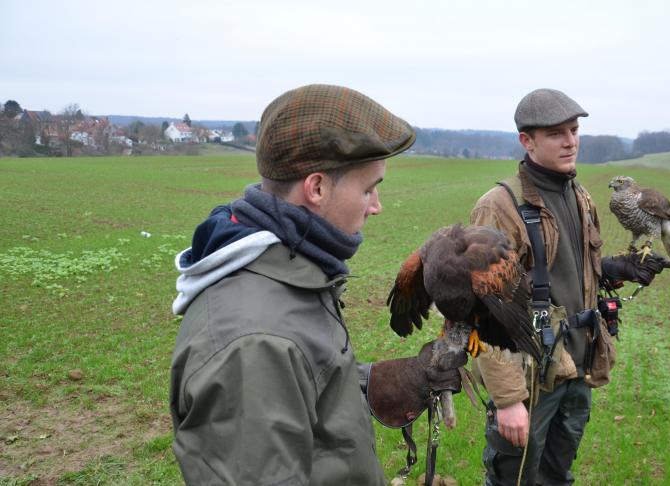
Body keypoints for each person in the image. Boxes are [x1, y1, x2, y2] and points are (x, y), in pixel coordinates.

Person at [169, 84, 465, 485]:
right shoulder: (253, 343)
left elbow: (294, 382)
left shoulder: (290, 271)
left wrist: (375, 381)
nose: (376, 205)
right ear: (317, 187)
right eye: (368, 188)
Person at [470, 88, 670, 485]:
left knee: (557, 476)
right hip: (530, 376)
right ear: (527, 141)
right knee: (515, 479)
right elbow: (483, 307)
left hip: (576, 367)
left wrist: (618, 268)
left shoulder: (579, 195)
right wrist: (508, 400)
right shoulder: (499, 206)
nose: (570, 141)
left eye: (574, 130)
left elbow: (573, 270)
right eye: (556, 133)